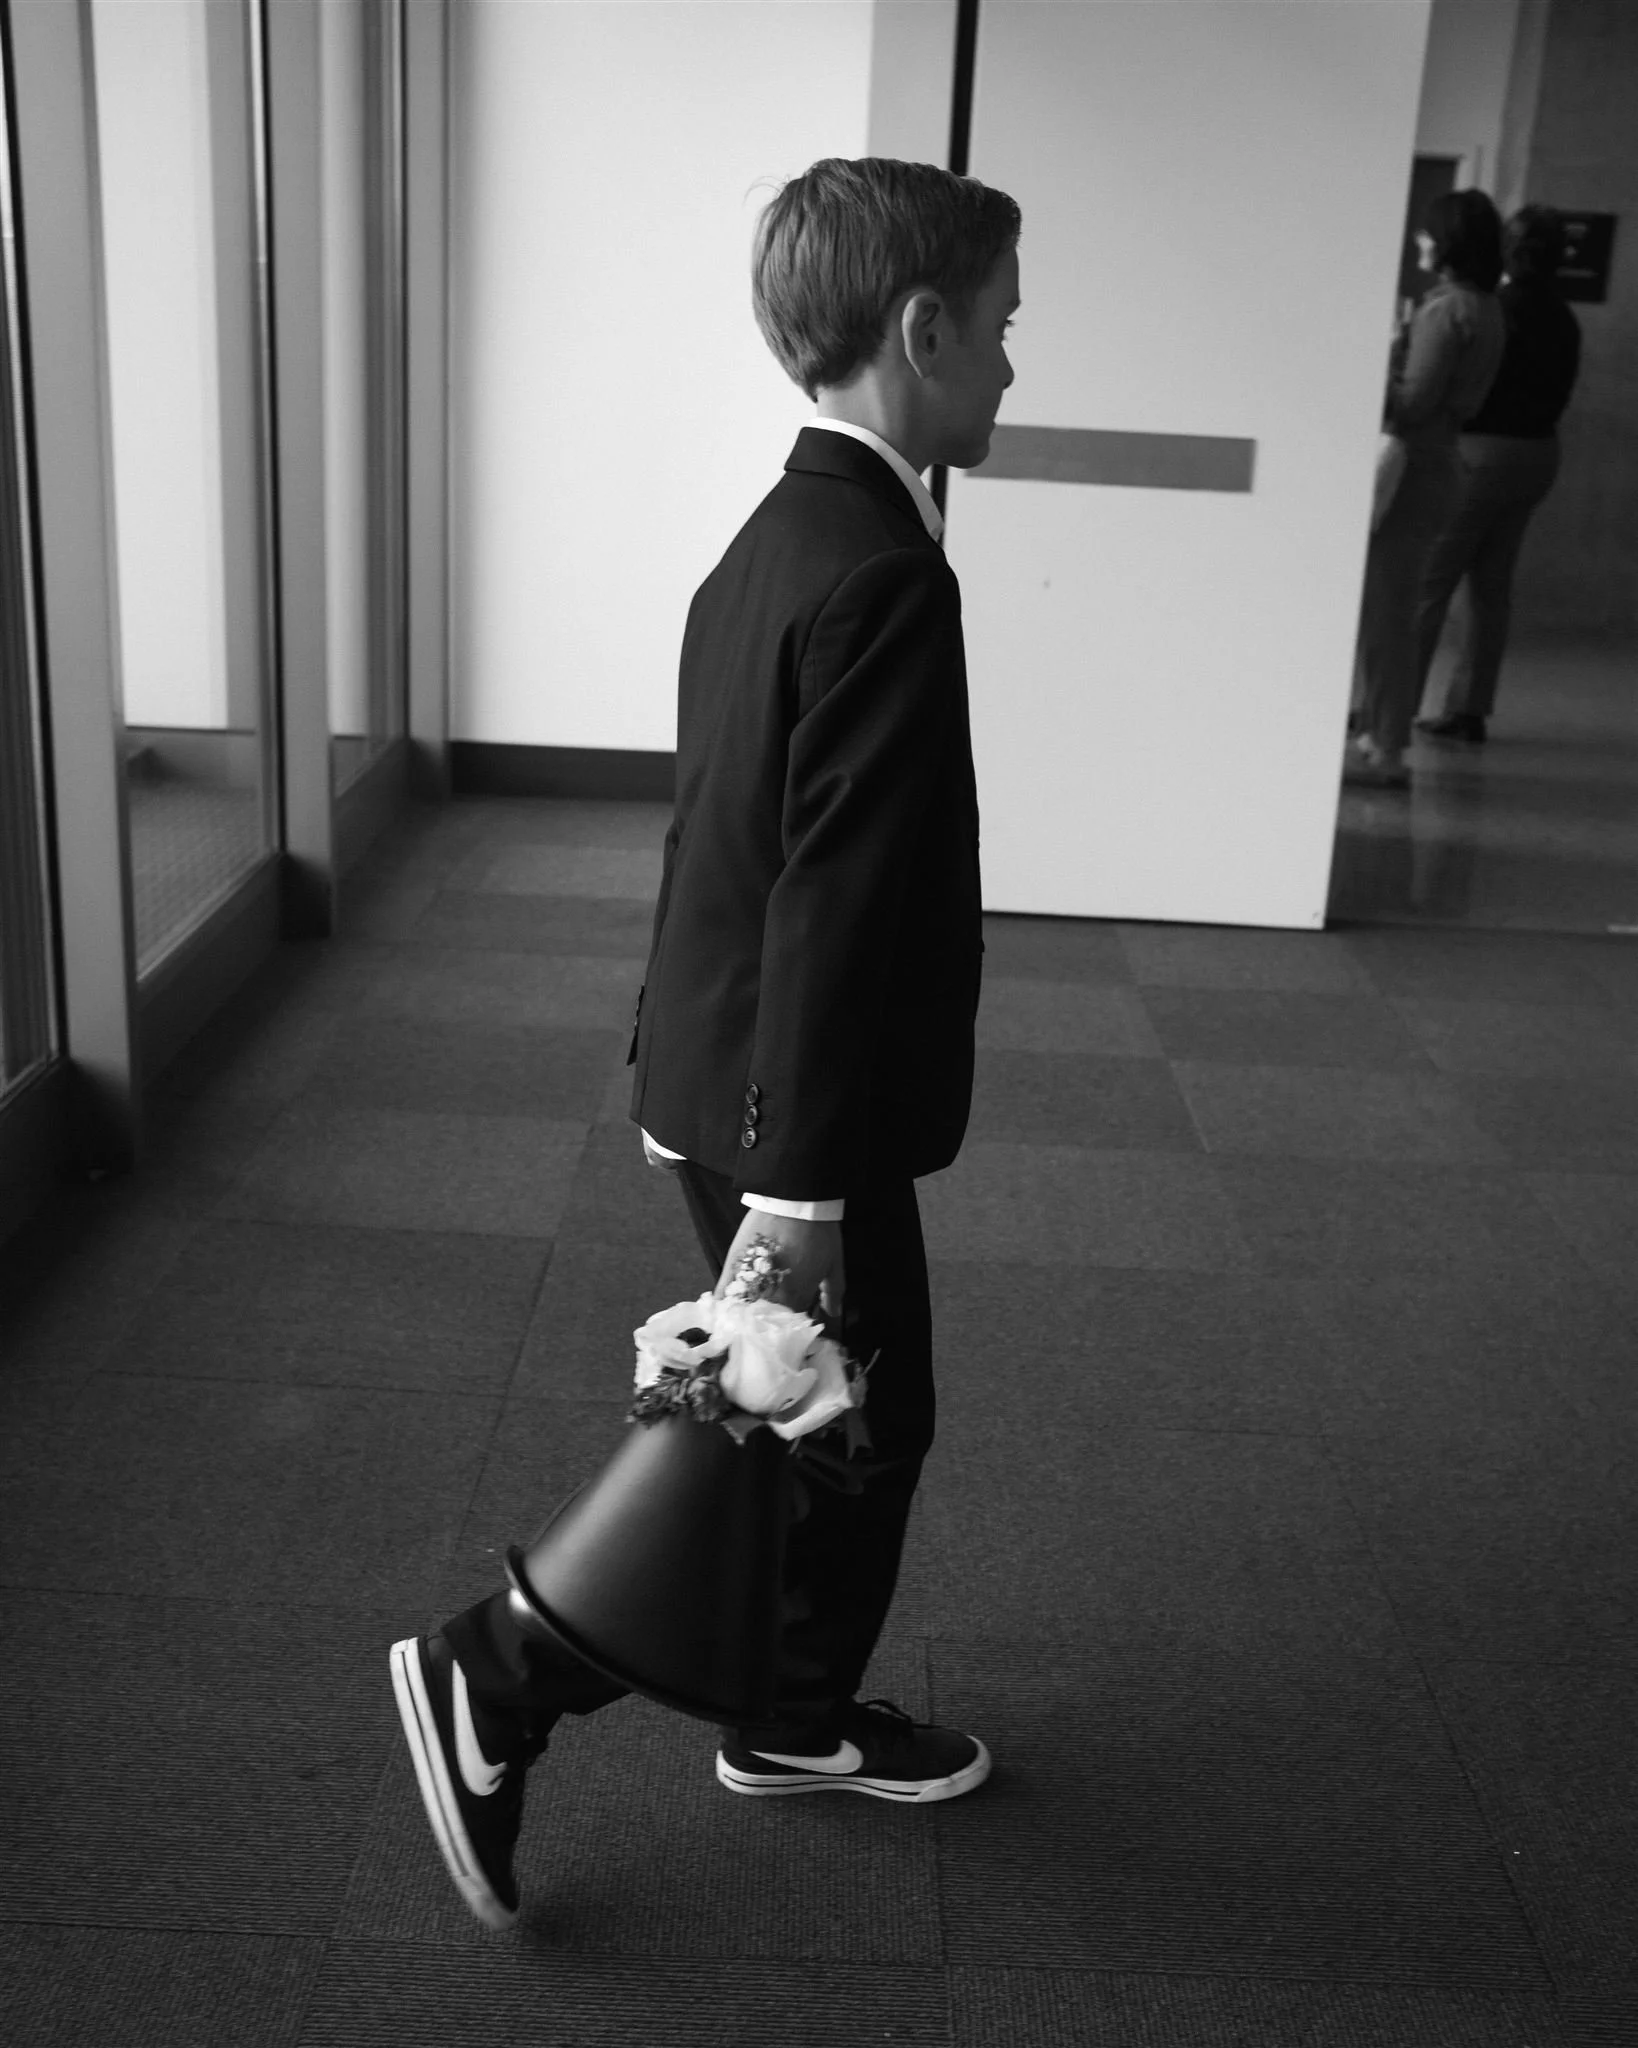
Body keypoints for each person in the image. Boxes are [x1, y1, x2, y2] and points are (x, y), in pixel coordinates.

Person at [390, 156, 1020, 1931]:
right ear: (919, 330)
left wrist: (678, 1081)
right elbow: (829, 898)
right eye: (1000, 331)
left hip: (713, 1073)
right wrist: (801, 1184)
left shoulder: (772, 538)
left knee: (816, 1417)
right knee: (810, 1424)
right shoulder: (885, 569)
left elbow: (715, 843)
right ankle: (499, 1670)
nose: (1008, 369)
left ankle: (788, 1714)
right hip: (785, 1110)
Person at [1347, 188, 1505, 788]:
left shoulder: (1443, 311)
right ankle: (1376, 732)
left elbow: (1413, 403)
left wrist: (1372, 368)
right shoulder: (1485, 307)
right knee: (1397, 608)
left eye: (1426, 233)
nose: (1419, 241)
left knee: (1388, 616)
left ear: (1447, 243)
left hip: (1415, 469)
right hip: (1442, 466)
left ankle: (1386, 747)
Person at [1414, 205, 1582, 743]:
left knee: (1428, 582)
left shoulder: (1493, 309)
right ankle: (1469, 710)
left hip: (1481, 454)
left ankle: (1390, 705)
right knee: (1491, 588)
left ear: (1510, 250)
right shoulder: (1563, 316)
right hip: (1538, 456)